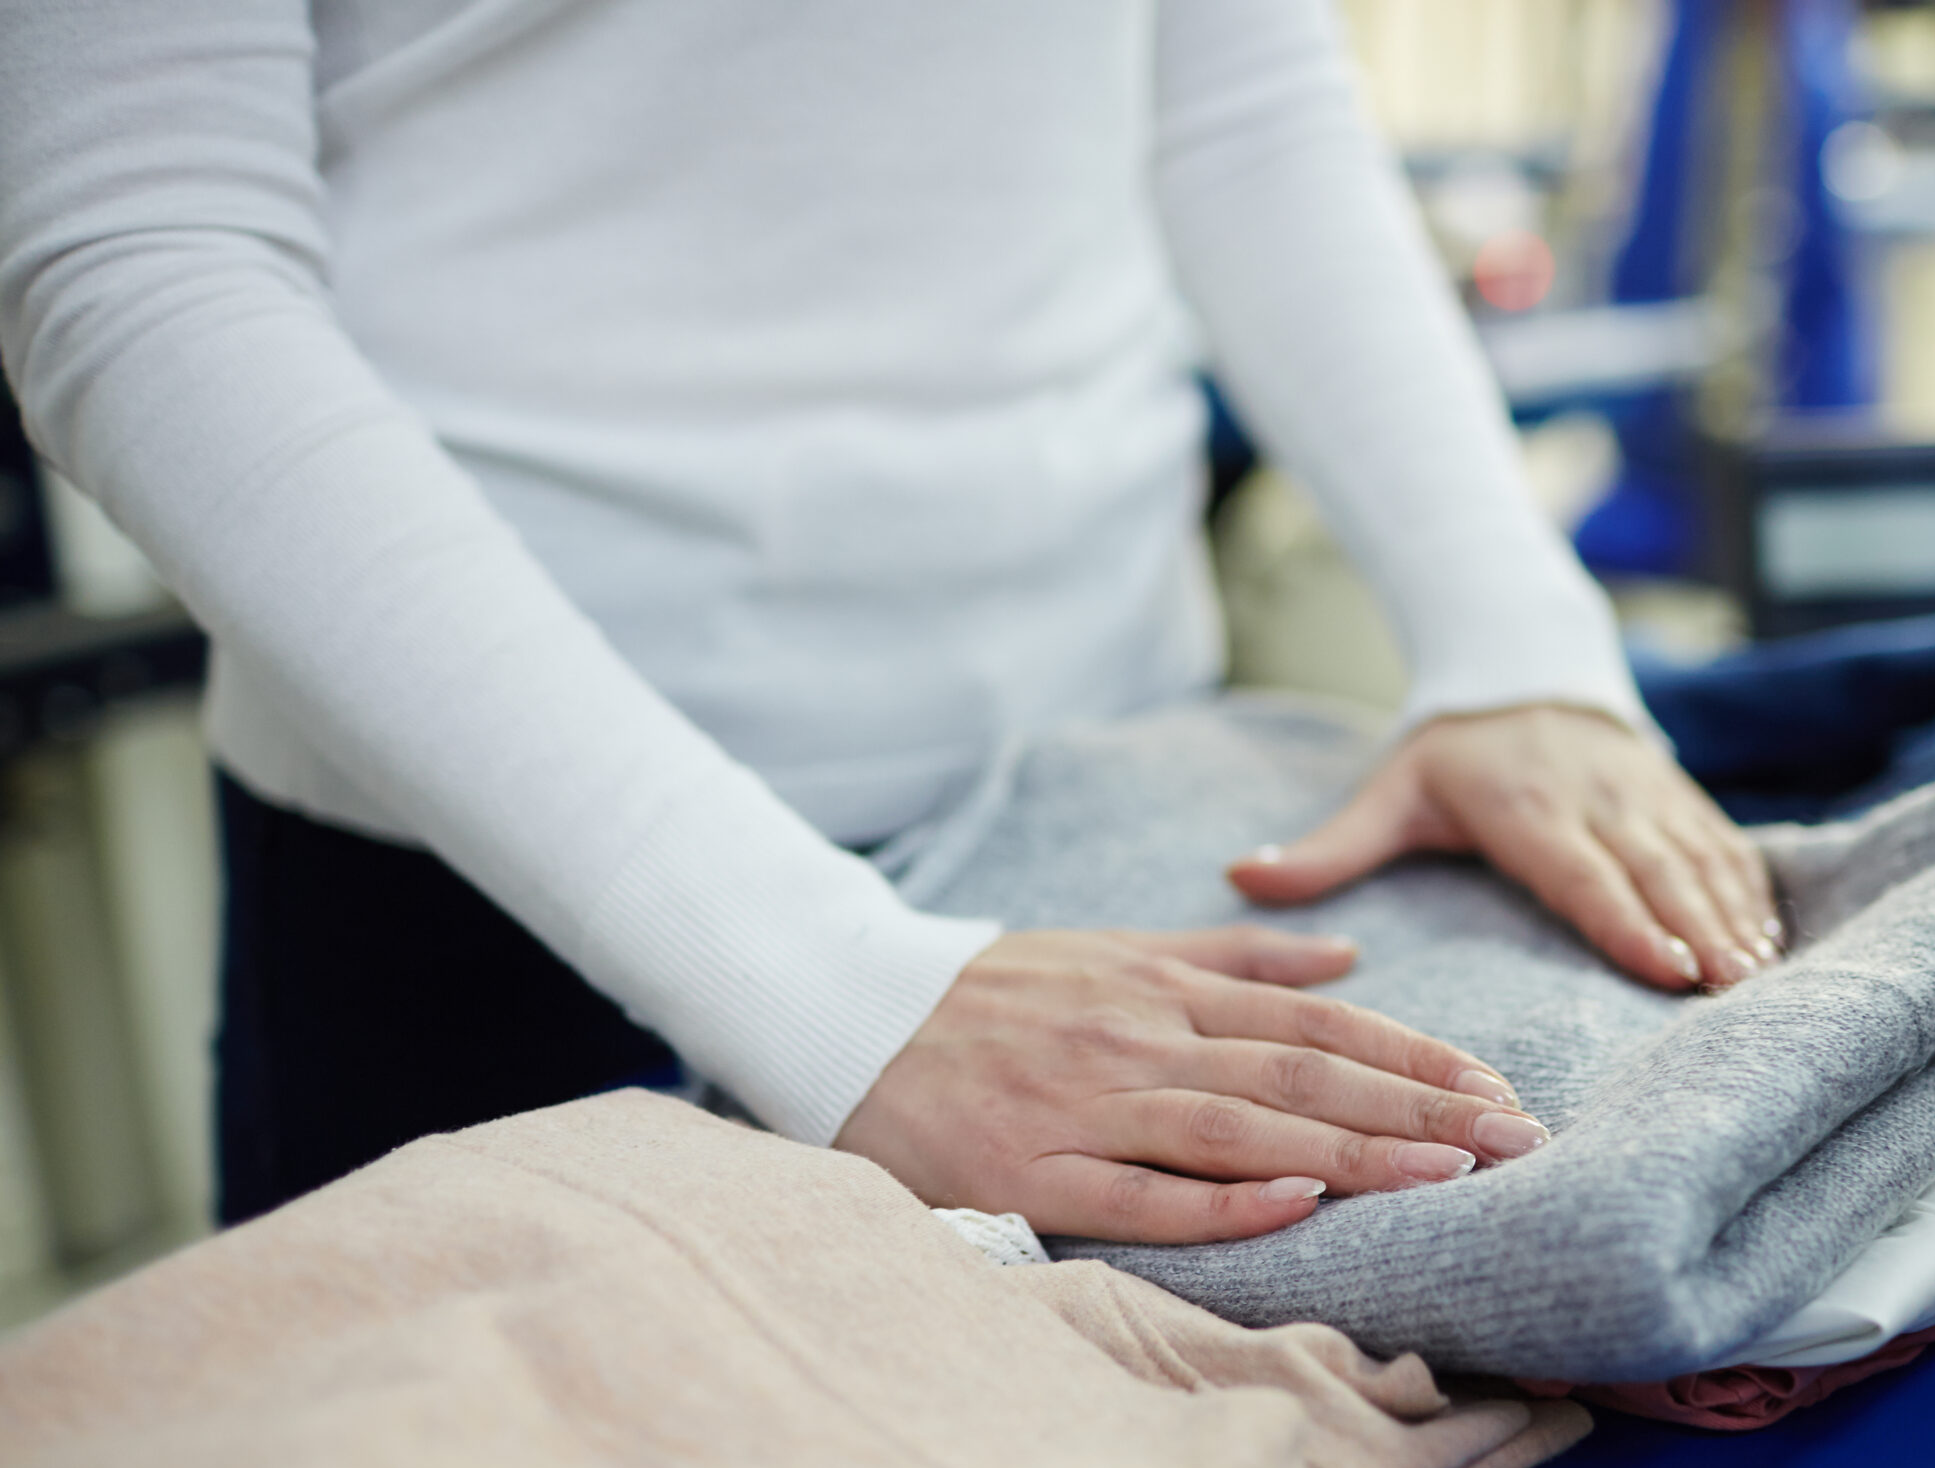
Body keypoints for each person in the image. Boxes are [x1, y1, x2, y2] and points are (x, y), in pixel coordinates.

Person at [0, 0, 1777, 1242]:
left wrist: (1516, 642)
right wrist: (822, 988)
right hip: (485, 891)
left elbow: (1239, 93)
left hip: (1125, 820)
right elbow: (137, 243)